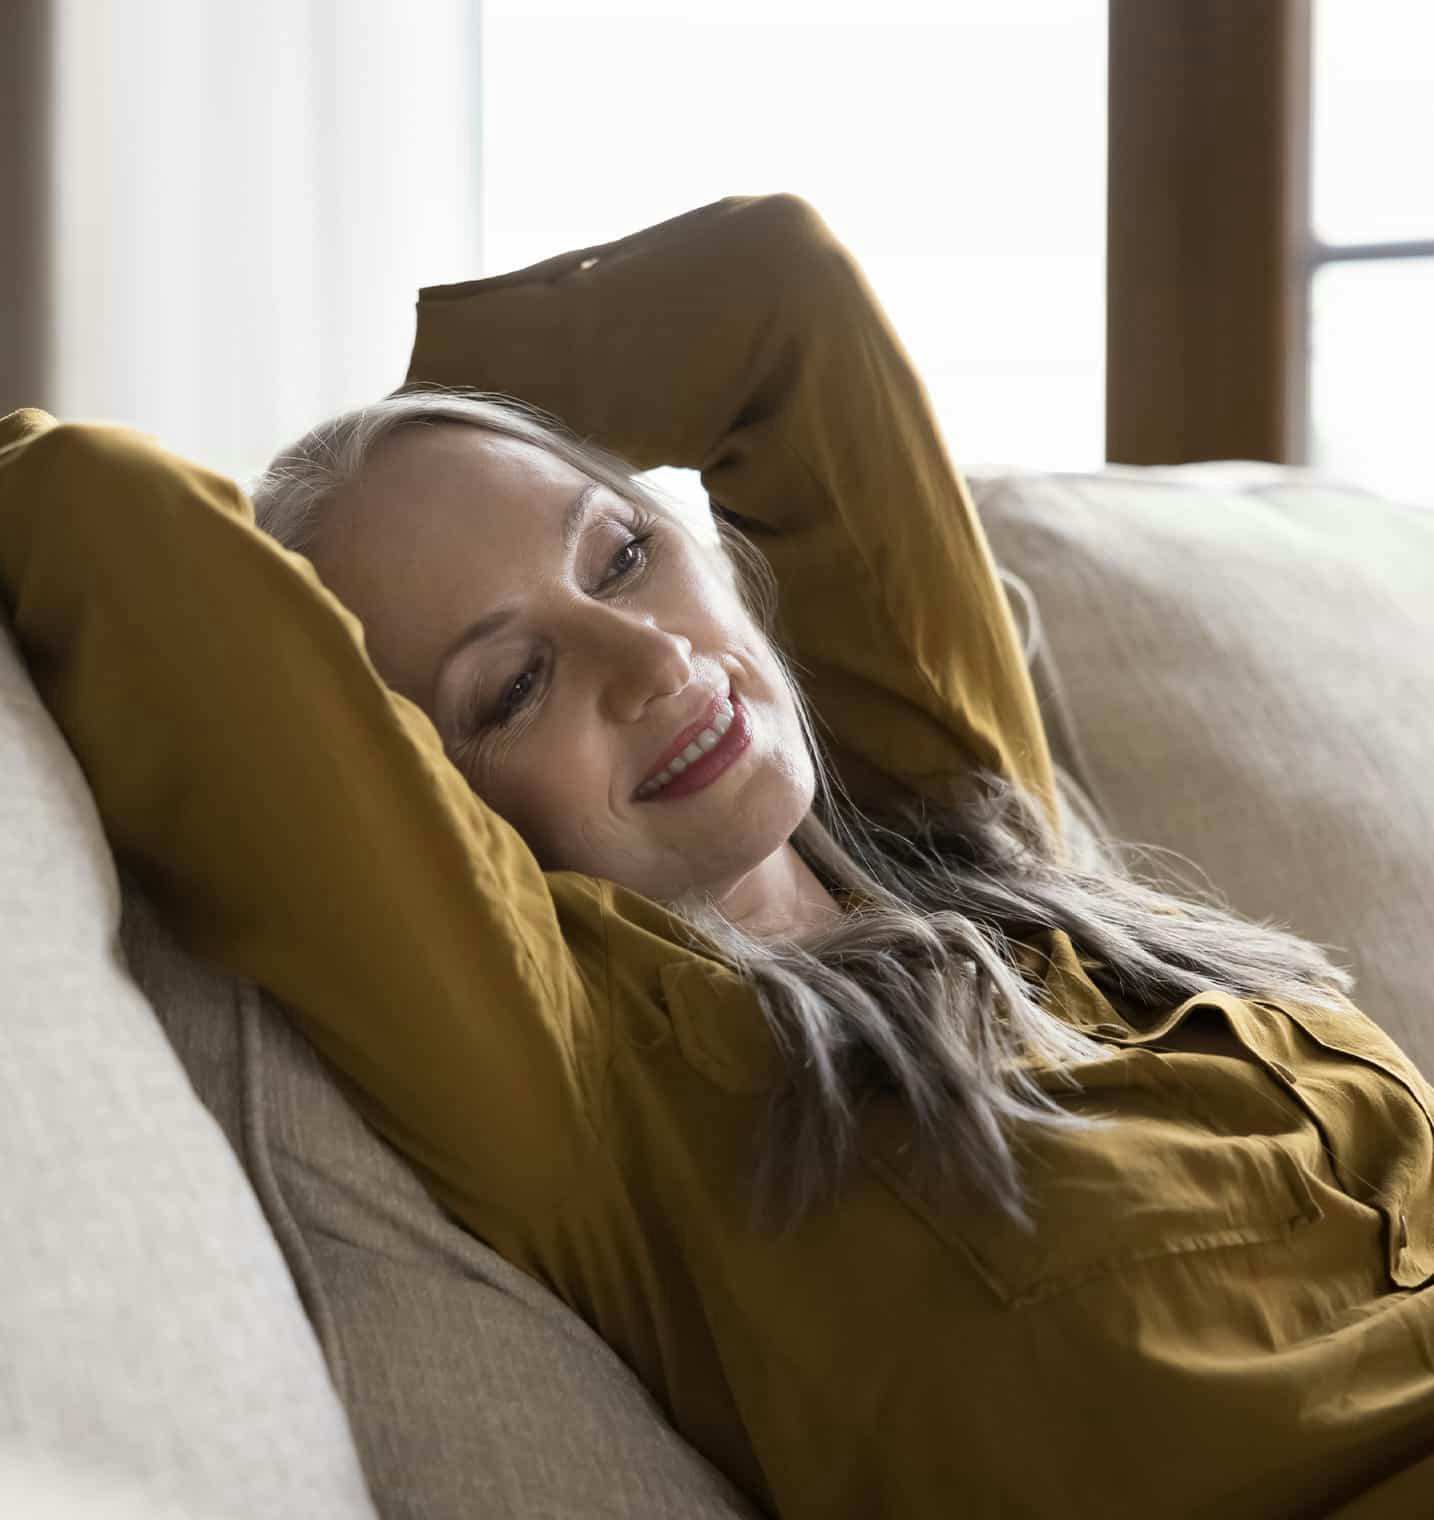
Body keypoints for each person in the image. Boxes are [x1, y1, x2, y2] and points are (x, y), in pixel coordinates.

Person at [6, 194, 1434, 1517]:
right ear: (431, 801)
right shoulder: (604, 1098)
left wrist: (419, 429)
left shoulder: (977, 832)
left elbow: (771, 294)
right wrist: (361, 502)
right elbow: (105, 518)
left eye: (622, 555)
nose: (650, 659)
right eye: (515, 686)